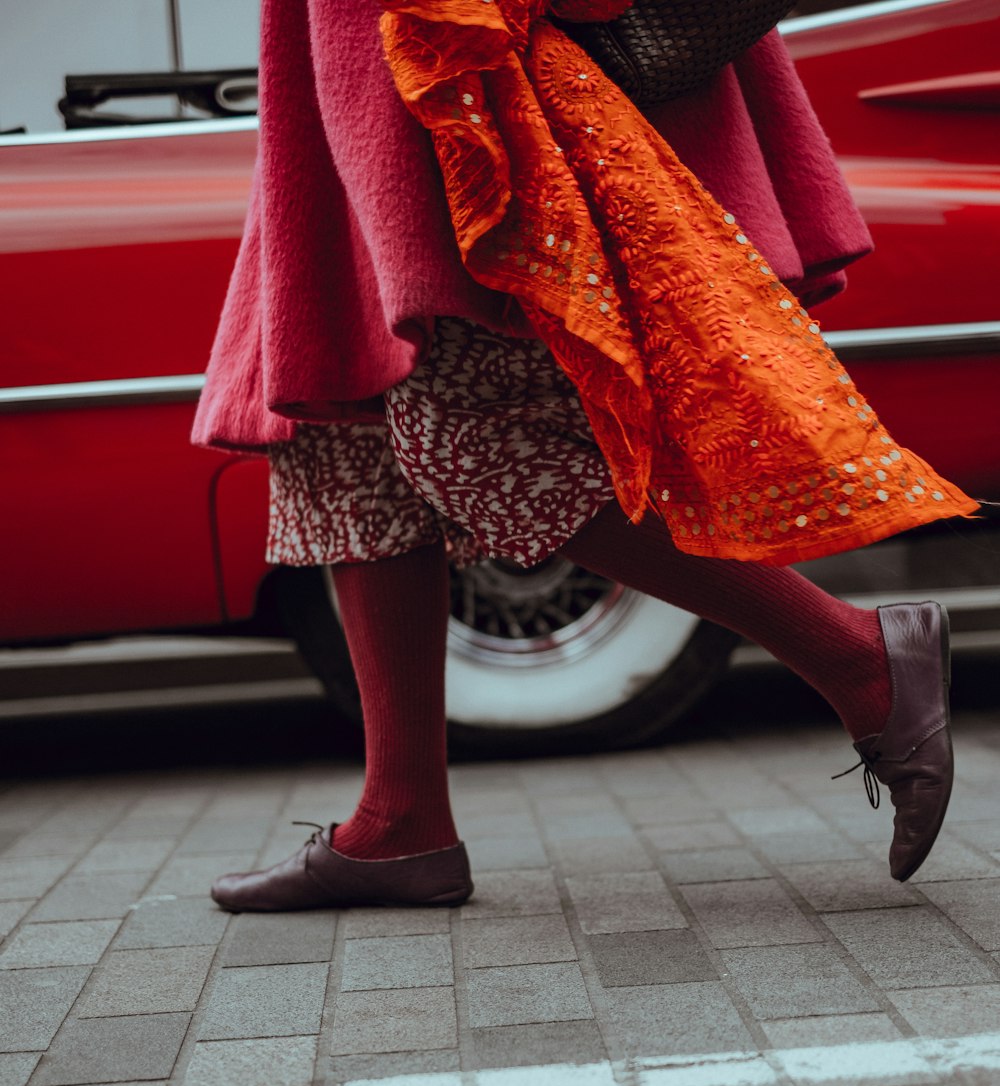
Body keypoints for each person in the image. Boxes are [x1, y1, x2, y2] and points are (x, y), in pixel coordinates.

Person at [198, 0, 974, 914]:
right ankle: (400, 822)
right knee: (347, 449)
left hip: (474, 86)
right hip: (356, 97)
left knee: (478, 446)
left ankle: (859, 659)